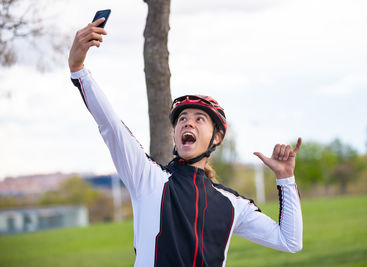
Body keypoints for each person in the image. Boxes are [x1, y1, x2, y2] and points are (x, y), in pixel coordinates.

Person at [68, 18, 303, 267]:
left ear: (218, 137)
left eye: (199, 119)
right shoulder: (148, 178)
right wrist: (78, 69)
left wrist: (285, 178)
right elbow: (112, 127)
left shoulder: (232, 204)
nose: (188, 123)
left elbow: (290, 241)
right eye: (182, 118)